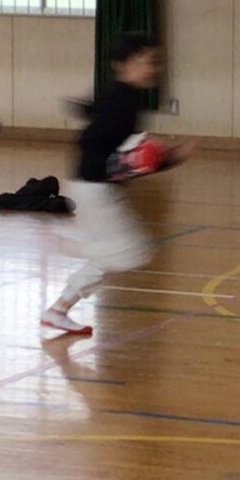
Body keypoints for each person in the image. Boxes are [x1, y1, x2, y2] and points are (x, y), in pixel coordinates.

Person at [41, 37, 189, 338]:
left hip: (96, 185)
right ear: (125, 64)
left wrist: (161, 156)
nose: (153, 68)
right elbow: (105, 148)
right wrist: (166, 158)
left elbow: (109, 135)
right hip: (93, 187)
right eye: (146, 61)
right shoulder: (121, 101)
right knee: (126, 254)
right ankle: (69, 244)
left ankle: (58, 310)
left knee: (113, 258)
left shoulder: (123, 97)